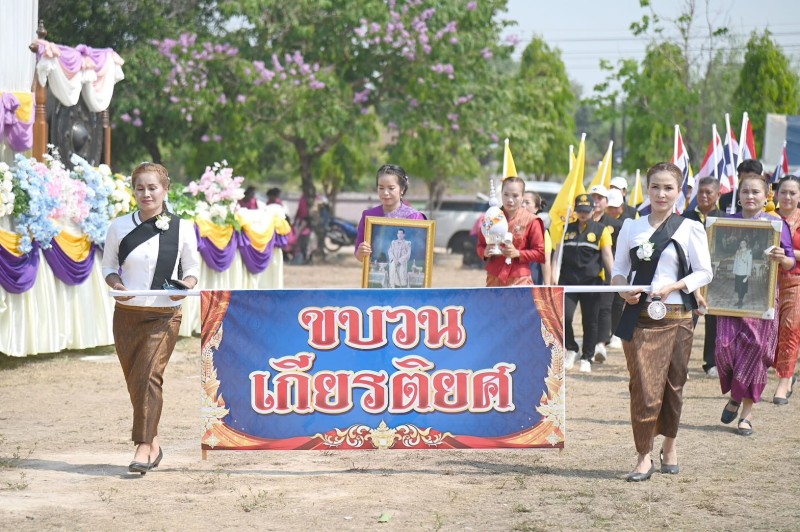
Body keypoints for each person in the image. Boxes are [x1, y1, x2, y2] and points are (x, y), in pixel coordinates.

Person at [611, 162, 713, 481]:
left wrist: (676, 286)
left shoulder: (689, 227)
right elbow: (618, 271)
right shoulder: (631, 227)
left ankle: (670, 444)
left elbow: (704, 272)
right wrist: (623, 290)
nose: (661, 193)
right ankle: (643, 456)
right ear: (647, 188)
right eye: (655, 186)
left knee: (673, 384)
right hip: (639, 317)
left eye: (668, 187)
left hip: (678, 317)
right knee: (643, 387)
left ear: (679, 191)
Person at [102, 162, 200, 474]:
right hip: (127, 314)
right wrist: (117, 285)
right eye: (140, 188)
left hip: (164, 314)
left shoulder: (182, 227)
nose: (146, 193)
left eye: (152, 188)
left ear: (165, 190)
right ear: (133, 191)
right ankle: (154, 444)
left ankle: (143, 446)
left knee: (149, 377)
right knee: (136, 381)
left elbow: (192, 269)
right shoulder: (118, 227)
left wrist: (184, 287)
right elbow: (108, 267)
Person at [715, 172, 795, 436]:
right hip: (728, 300)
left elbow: (790, 262)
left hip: (762, 298)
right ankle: (736, 394)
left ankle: (745, 414)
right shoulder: (726, 223)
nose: (750, 196)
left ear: (766, 196)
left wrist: (782, 257)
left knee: (756, 351)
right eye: (746, 191)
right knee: (724, 349)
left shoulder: (776, 224)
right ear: (739, 196)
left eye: (756, 192)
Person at [553, 193, 613, 373]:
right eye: (580, 210)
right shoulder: (566, 229)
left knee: (590, 321)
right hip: (568, 282)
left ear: (593, 210)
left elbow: (607, 256)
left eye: (586, 210)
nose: (583, 214)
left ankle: (587, 356)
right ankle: (571, 348)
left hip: (592, 282)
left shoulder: (601, 230)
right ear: (575, 210)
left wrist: (615, 278)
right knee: (564, 317)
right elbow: (557, 255)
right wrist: (553, 278)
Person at [683, 176, 722, 376]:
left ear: (718, 194)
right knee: (686, 322)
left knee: (714, 322)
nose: (704, 196)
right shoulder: (686, 217)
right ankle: (681, 363)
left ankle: (711, 363)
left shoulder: (725, 219)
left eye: (708, 192)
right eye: (701, 192)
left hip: (716, 277)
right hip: (690, 276)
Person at [476, 177, 545, 287]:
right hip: (494, 277)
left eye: (515, 195)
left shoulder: (531, 220)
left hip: (520, 279)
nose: (510, 200)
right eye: (506, 194)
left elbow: (540, 253)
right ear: (501, 194)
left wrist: (518, 253)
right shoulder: (491, 216)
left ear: (522, 197)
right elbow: (480, 245)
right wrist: (485, 252)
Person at [355, 164, 426, 262]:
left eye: (391, 188)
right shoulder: (368, 216)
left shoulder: (414, 217)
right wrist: (361, 252)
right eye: (381, 188)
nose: (385, 193)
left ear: (402, 189)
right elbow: (359, 256)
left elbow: (421, 255)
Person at [771, 175, 800, 404]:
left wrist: (789, 254)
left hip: (796, 281)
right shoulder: (769, 218)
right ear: (776, 194)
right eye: (784, 192)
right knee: (770, 333)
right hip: (768, 282)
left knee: (790, 330)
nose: (787, 197)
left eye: (793, 193)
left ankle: (784, 381)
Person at [589, 184, 621, 363]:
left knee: (605, 307)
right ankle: (589, 343)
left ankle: (601, 343)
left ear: (606, 202)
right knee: (590, 309)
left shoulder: (616, 225)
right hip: (588, 272)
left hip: (608, 271)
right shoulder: (583, 223)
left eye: (600, 198)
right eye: (593, 197)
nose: (596, 201)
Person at [522, 190, 552, 285]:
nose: (523, 205)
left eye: (527, 202)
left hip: (532, 283)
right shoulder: (509, 226)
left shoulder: (543, 231)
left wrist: (547, 286)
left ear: (536, 208)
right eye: (521, 202)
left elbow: (545, 261)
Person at [731, 240, 752, 308]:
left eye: (744, 243)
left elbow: (749, 263)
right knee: (738, 287)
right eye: (741, 243)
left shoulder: (749, 252)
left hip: (744, 273)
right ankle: (739, 300)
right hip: (738, 272)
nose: (742, 244)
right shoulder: (738, 251)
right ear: (740, 244)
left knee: (742, 288)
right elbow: (736, 262)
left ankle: (741, 301)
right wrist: (734, 271)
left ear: (746, 244)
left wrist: (747, 275)